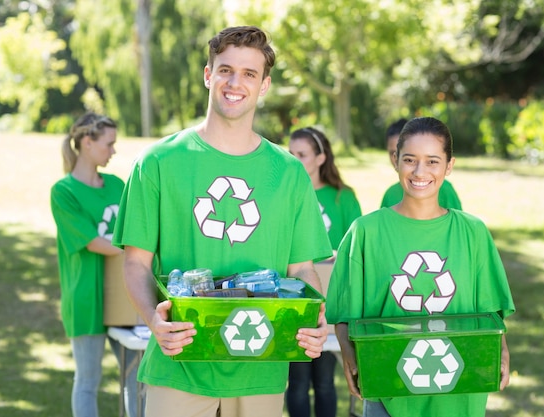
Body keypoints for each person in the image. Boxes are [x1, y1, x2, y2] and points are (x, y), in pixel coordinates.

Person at [112, 26, 333, 417]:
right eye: (226, 69)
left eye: (249, 74)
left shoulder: (288, 172)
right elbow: (135, 263)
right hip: (180, 361)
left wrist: (316, 317)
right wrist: (153, 321)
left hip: (260, 365)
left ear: (264, 85)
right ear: (207, 74)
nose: (235, 82)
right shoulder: (158, 163)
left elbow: (301, 269)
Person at [326, 116, 515, 417]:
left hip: (459, 387)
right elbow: (344, 312)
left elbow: (492, 312)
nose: (419, 171)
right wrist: (349, 356)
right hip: (389, 386)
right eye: (410, 159)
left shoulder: (473, 232)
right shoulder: (366, 232)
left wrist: (502, 349)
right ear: (396, 161)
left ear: (449, 166)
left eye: (432, 161)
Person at [50, 112, 139, 417]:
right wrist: (135, 250)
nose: (114, 151)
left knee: (136, 379)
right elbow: (94, 242)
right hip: (86, 298)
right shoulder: (64, 192)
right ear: (87, 143)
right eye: (109, 144)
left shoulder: (116, 185)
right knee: (88, 382)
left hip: (124, 297)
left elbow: (138, 227)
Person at [287, 127, 362, 417]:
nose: (294, 160)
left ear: (320, 158)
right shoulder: (287, 195)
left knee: (325, 382)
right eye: (290, 154)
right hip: (295, 297)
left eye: (302, 155)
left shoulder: (342, 197)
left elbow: (357, 248)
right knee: (296, 383)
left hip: (330, 300)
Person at [380, 118, 463, 210]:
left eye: (431, 161)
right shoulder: (390, 194)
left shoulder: (445, 189)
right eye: (409, 159)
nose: (419, 173)